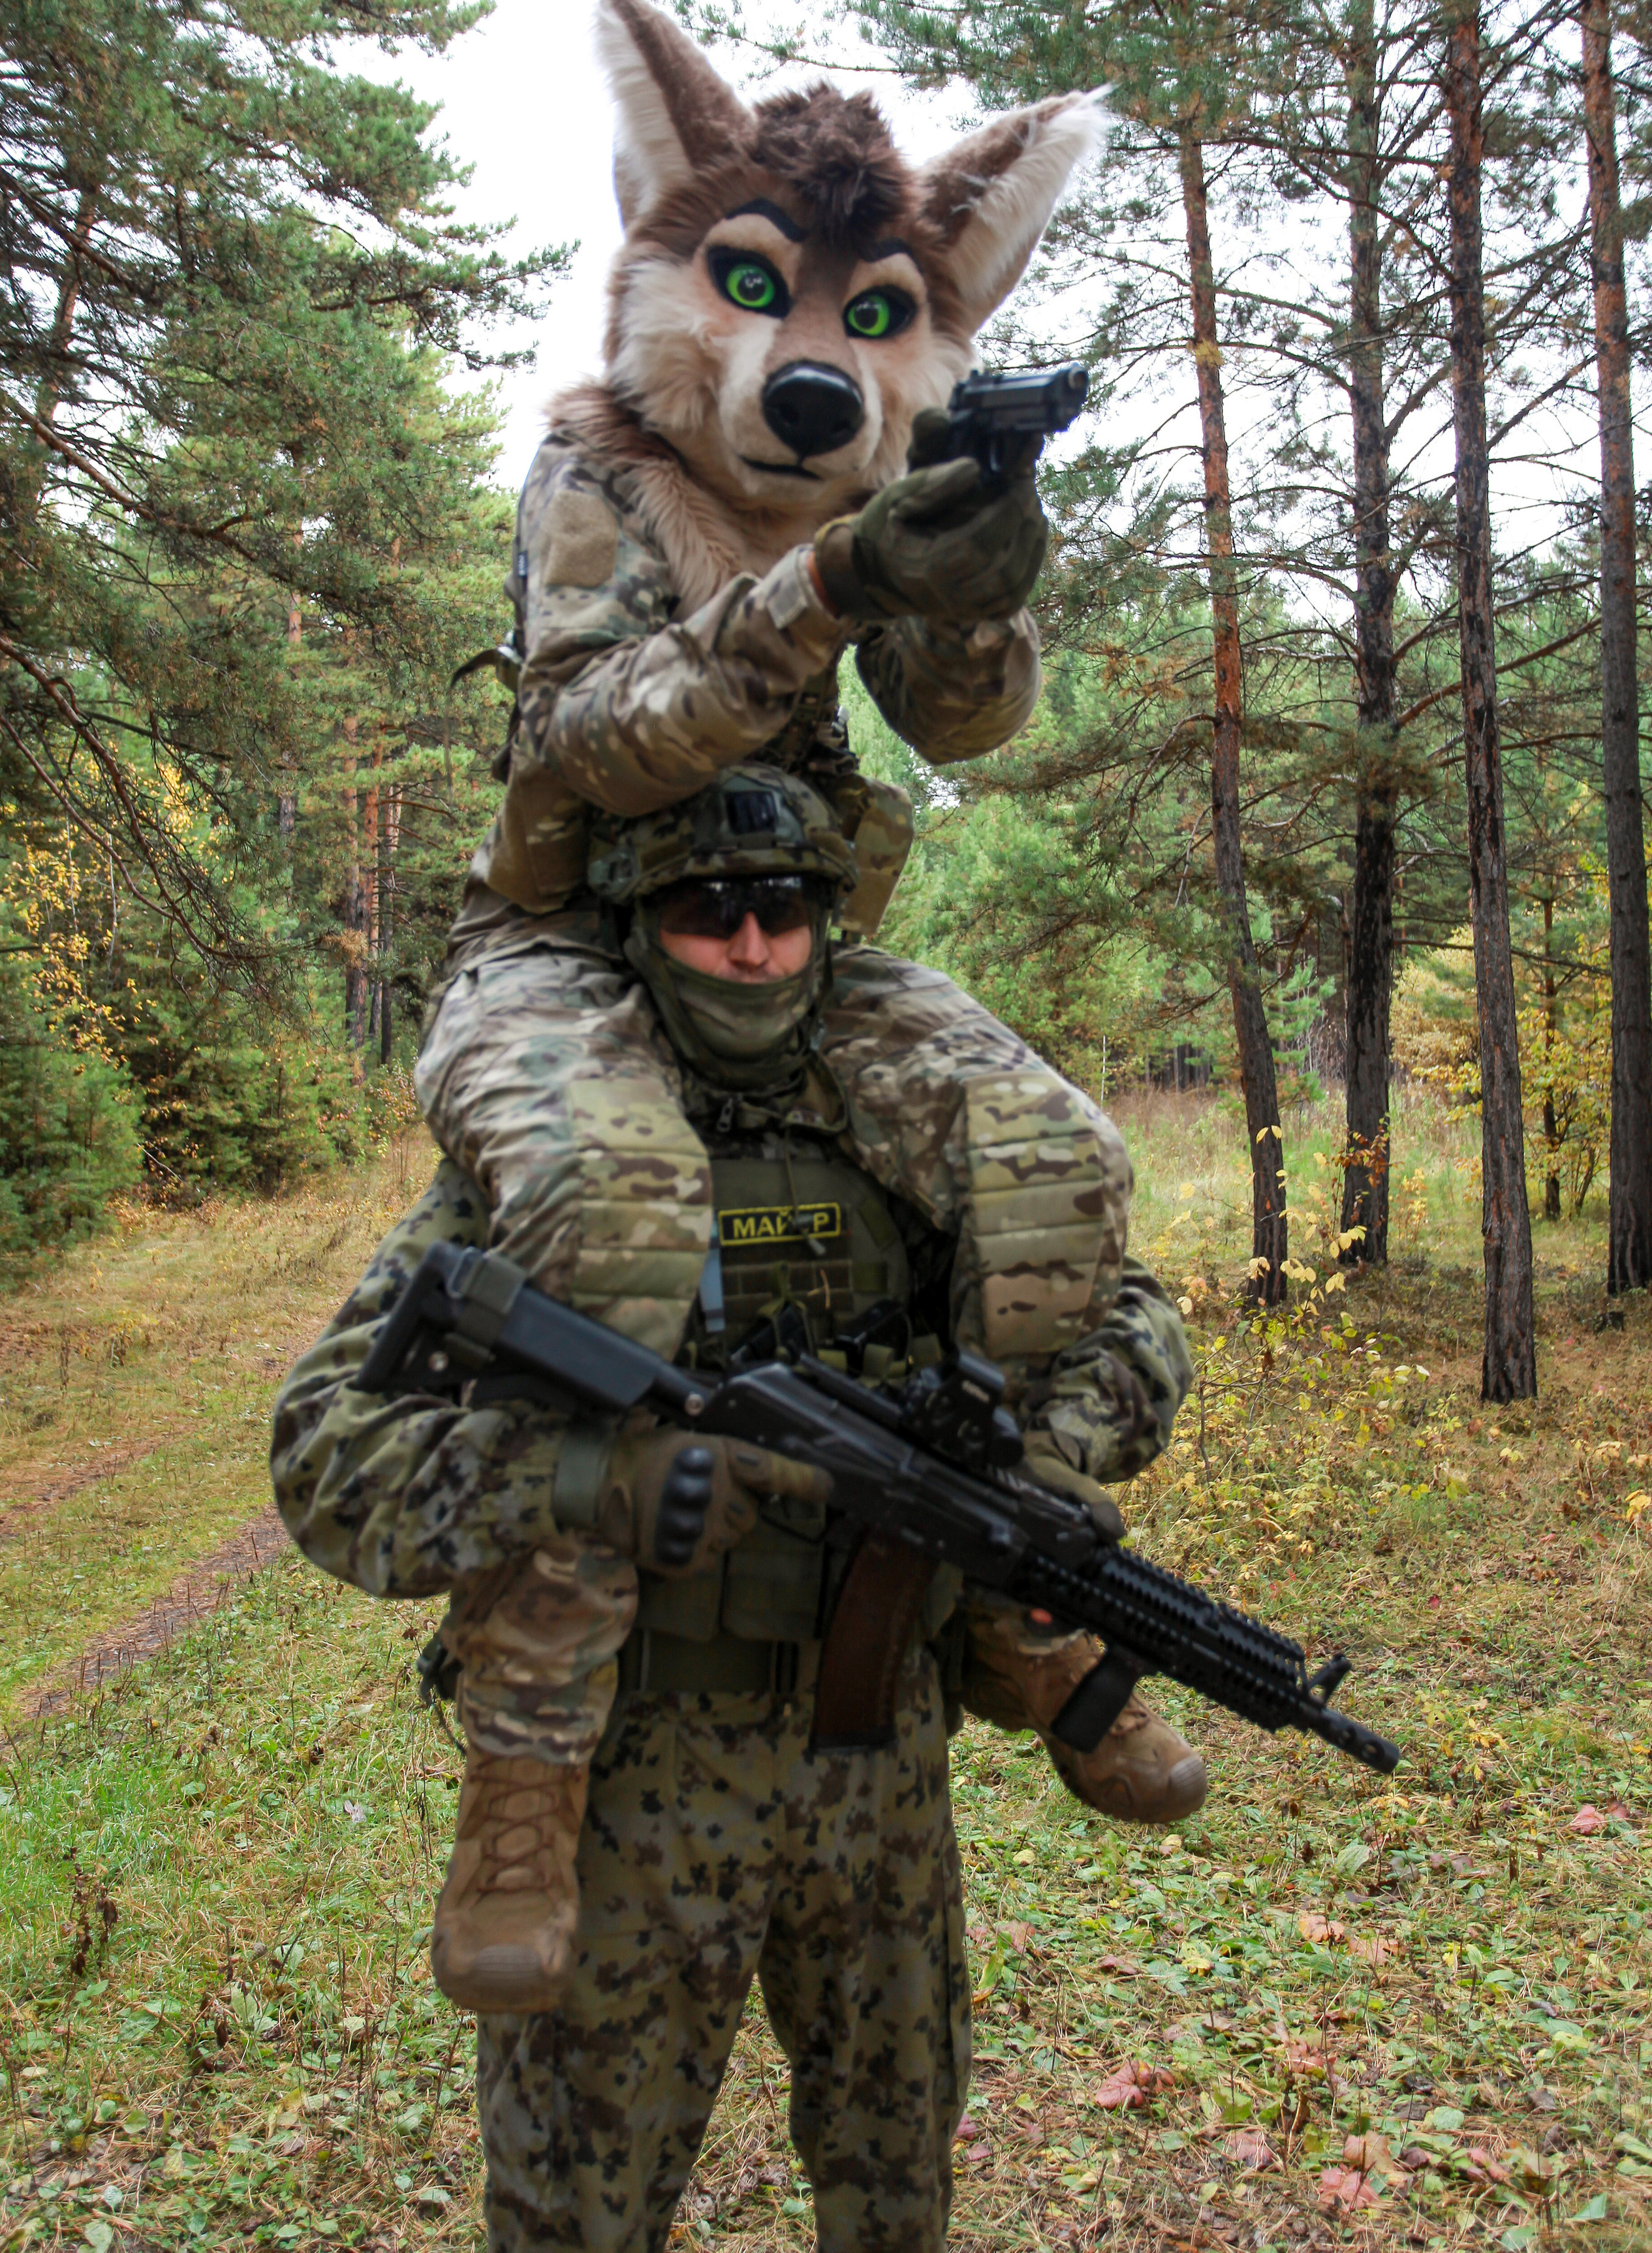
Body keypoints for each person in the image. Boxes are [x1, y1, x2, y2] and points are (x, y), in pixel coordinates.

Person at [271, 766, 1197, 2253]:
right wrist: (598, 1482)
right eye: (710, 912)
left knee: (897, 2182)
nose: (754, 946)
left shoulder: (910, 1134)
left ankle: (1040, 1661)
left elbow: (1137, 1321)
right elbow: (325, 1453)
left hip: (878, 1758)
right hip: (631, 1780)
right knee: (578, 2202)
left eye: (785, 907)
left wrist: (1046, 1450)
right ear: (640, 929)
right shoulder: (551, 1161)